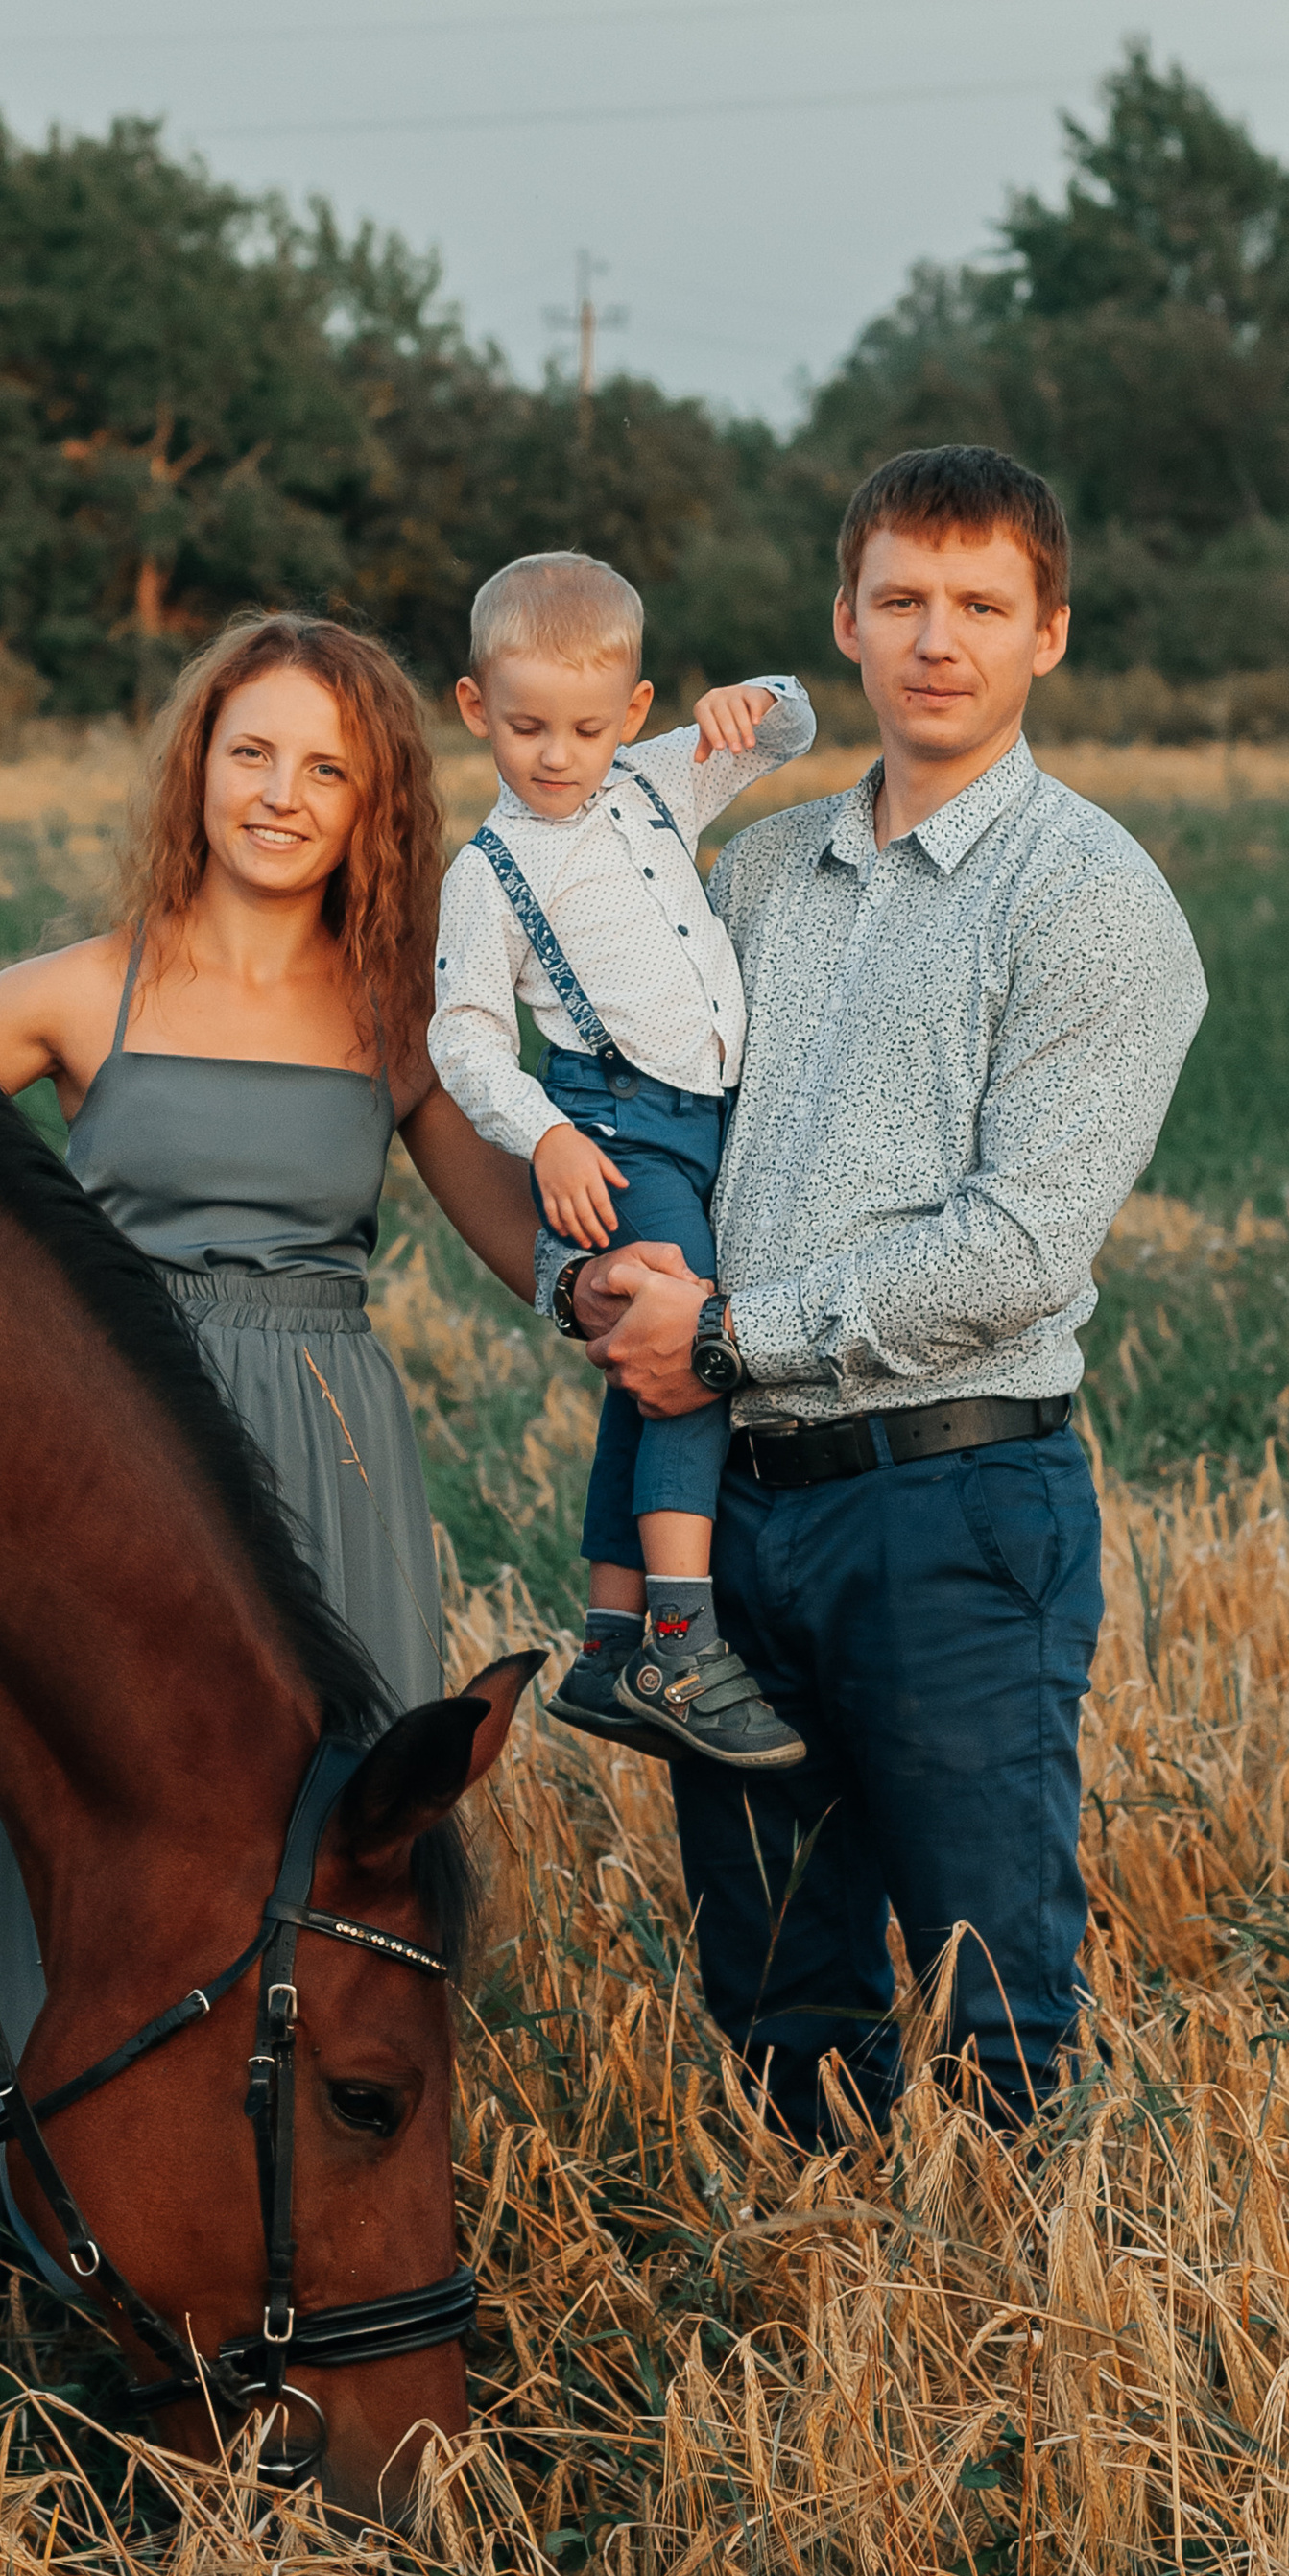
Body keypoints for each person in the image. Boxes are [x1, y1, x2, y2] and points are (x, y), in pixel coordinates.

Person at [555, 447, 1207, 2145]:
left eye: (982, 604)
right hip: (730, 1507)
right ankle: (811, 2273)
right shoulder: (756, 874)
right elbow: (640, 1107)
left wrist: (721, 1336)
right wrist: (594, 1272)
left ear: (1048, 634)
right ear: (843, 618)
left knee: (998, 1989)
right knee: (780, 1985)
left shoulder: (1091, 898)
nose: (938, 638)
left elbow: (1020, 1243)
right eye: (903, 597)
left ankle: (1024, 2291)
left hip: (952, 1499)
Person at [0, 611, 535, 2289]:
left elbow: (527, 1242)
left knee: (336, 1842)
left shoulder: (398, 1015)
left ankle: (313, 2251)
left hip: (329, 1455)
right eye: (251, 750)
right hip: (114, 1464)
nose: (280, 791)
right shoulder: (80, 987)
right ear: (197, 766)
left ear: (373, 803)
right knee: (80, 1820)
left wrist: (671, 1284)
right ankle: (31, 2256)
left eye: (326, 767)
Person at [429, 550, 815, 1771]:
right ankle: (680, 1637)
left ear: (633, 711)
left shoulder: (653, 778)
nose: (557, 755)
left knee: (641, 1369)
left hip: (707, 1121)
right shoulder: (485, 875)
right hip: (612, 1131)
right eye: (527, 726)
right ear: (475, 706)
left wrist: (751, 700)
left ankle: (606, 1640)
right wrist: (542, 1132)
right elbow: (462, 1036)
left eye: (587, 727)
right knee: (689, 1345)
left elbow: (790, 728)